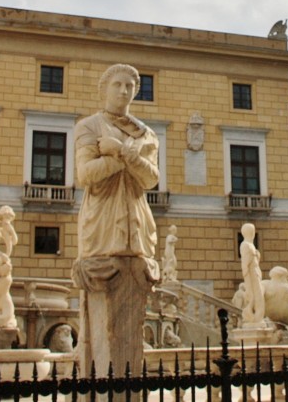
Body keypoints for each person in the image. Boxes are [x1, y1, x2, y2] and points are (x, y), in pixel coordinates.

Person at [72, 64, 160, 373]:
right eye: (117, 85)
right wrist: (123, 160)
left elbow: (151, 179)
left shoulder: (146, 134)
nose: (123, 91)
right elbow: (85, 174)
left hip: (136, 225)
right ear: (104, 89)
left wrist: (121, 152)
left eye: (129, 86)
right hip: (103, 223)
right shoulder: (89, 126)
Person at [239, 222, 265, 326]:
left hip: (255, 273)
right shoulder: (246, 245)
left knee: (259, 295)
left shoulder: (250, 245)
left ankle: (256, 318)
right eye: (252, 231)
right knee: (255, 296)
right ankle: (253, 317)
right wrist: (247, 278)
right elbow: (245, 264)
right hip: (252, 275)